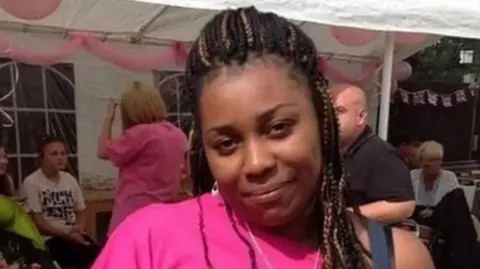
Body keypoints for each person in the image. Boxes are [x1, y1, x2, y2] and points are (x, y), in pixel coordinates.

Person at [92, 7, 433, 269]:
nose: (257, 163)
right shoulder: (149, 242)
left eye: (279, 128)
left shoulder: (396, 257)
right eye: (226, 144)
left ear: (321, 119)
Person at [97, 81, 188, 236]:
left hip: (133, 211)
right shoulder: (177, 134)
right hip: (164, 211)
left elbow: (102, 150)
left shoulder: (140, 134)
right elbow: (185, 174)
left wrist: (108, 119)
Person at [329, 83, 414, 223]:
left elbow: (403, 205)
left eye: (339, 111)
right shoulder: (329, 150)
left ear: (361, 116)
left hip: (364, 240)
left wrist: (343, 217)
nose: (331, 117)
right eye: (327, 111)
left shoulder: (380, 154)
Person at [22, 136, 99, 269]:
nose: (60, 157)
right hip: (50, 238)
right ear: (42, 158)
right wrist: (67, 236)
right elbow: (39, 222)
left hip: (74, 235)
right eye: (54, 154)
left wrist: (78, 229)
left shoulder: (69, 179)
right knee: (83, 255)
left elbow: (81, 211)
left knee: (100, 254)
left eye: (63, 154)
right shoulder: (31, 182)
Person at [411, 140, 479, 269]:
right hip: (416, 219)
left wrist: (435, 212)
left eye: (439, 160)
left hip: (442, 223)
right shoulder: (412, 176)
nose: (437, 164)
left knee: (457, 202)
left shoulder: (449, 177)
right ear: (421, 162)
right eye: (430, 162)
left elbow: (453, 209)